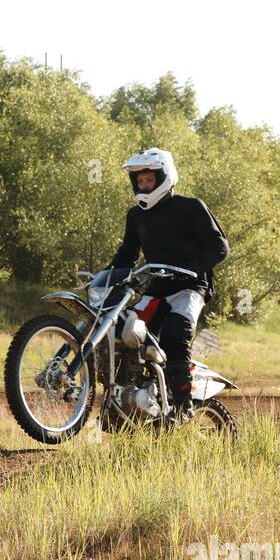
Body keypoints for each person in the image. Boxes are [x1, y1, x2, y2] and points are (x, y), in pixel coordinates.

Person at [107, 148, 229, 413]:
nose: (144, 185)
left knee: (175, 336)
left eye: (149, 180)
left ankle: (183, 407)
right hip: (158, 289)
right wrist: (105, 279)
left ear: (164, 177)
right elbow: (126, 255)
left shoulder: (190, 207)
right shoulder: (136, 216)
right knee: (122, 334)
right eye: (140, 181)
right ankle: (126, 402)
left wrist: (190, 269)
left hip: (190, 288)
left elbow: (220, 246)